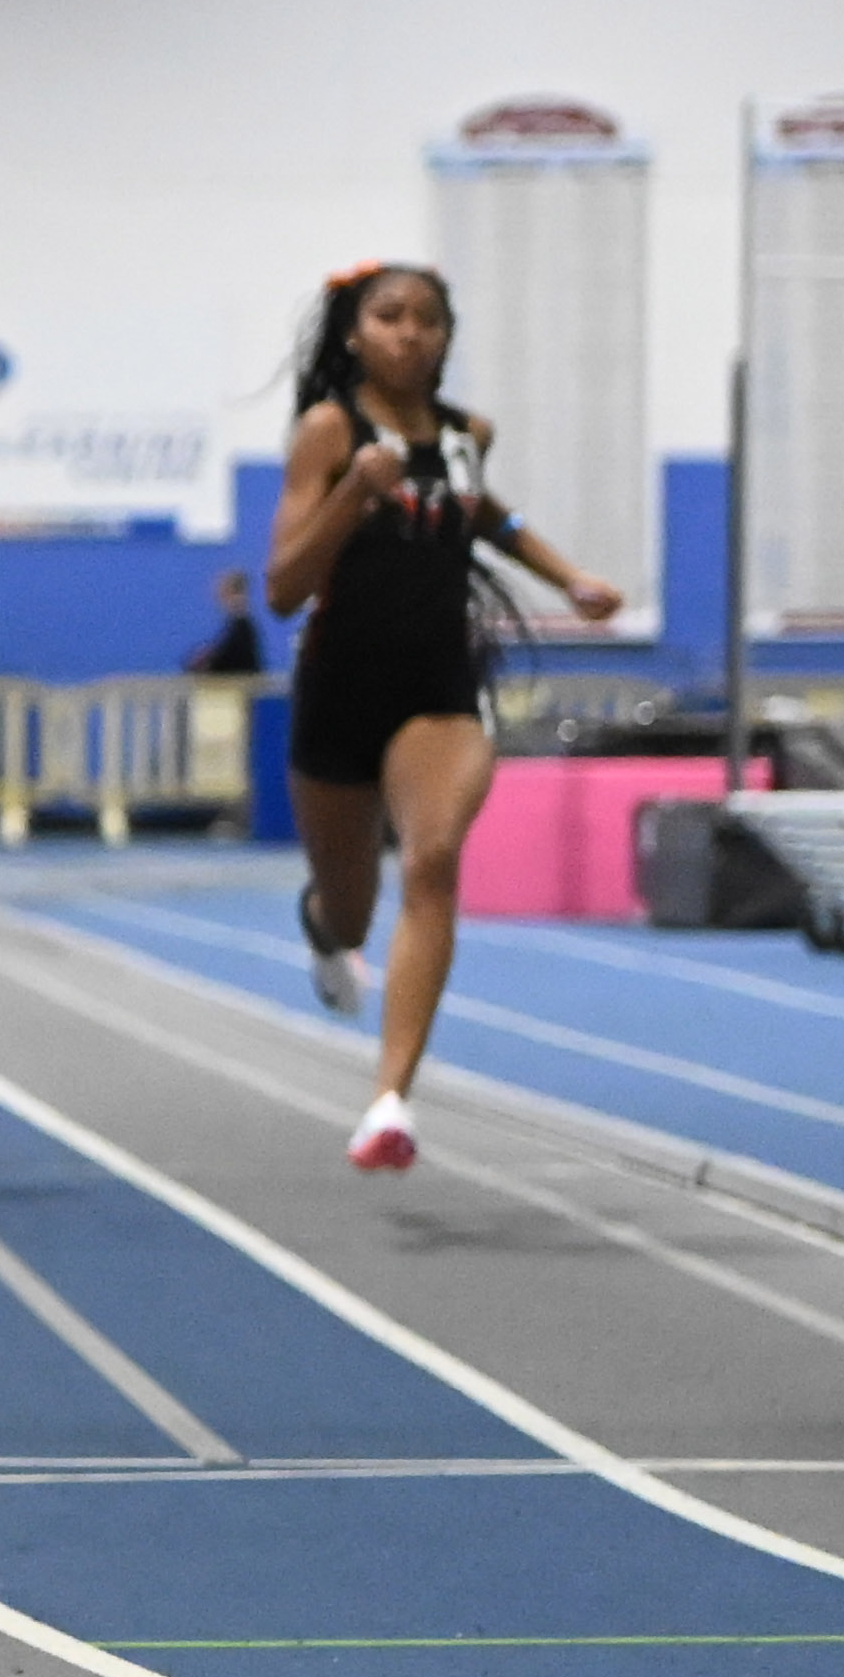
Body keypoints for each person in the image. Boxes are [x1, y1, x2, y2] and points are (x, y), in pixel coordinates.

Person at [265, 262, 619, 1175]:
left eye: (428, 320)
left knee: (432, 858)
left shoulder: (470, 435)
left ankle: (389, 1101)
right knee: (351, 912)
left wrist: (569, 576)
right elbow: (281, 588)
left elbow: (487, 517)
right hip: (339, 687)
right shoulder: (329, 430)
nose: (410, 334)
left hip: (438, 688)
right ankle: (322, 928)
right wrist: (353, 492)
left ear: (448, 337)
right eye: (389, 317)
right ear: (354, 334)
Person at [186, 567, 264, 675]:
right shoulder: (238, 626)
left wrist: (206, 662)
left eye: (223, 591)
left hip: (236, 686)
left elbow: (232, 658)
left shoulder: (241, 626)